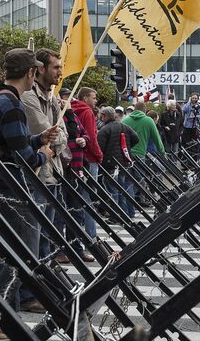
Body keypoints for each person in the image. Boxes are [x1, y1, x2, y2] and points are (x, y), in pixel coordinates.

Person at [0, 48, 60, 337]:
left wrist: (36, 139)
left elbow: (13, 144)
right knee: (24, 255)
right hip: (11, 187)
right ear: (32, 73)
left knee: (13, 254)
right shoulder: (11, 104)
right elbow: (22, 157)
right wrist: (44, 153)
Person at [20, 49, 68, 261]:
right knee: (35, 234)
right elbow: (45, 133)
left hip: (53, 174)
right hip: (37, 174)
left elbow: (63, 136)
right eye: (56, 67)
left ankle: (47, 275)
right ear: (40, 69)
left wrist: (56, 142)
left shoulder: (53, 98)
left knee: (48, 233)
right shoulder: (29, 98)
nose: (60, 72)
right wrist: (55, 141)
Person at [65, 86, 102, 256]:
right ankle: (90, 238)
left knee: (76, 203)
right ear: (86, 98)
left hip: (75, 161)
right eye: (94, 98)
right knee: (85, 202)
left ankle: (78, 243)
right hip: (83, 161)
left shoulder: (73, 112)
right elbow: (91, 136)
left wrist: (84, 139)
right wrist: (98, 154)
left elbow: (85, 134)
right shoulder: (86, 112)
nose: (96, 101)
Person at [97, 106, 139, 217]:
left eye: (102, 116)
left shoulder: (104, 130)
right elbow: (136, 138)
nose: (101, 118)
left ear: (105, 116)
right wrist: (127, 148)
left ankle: (116, 215)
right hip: (125, 162)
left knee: (113, 190)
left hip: (110, 164)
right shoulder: (125, 126)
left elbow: (99, 148)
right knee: (123, 188)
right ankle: (128, 213)